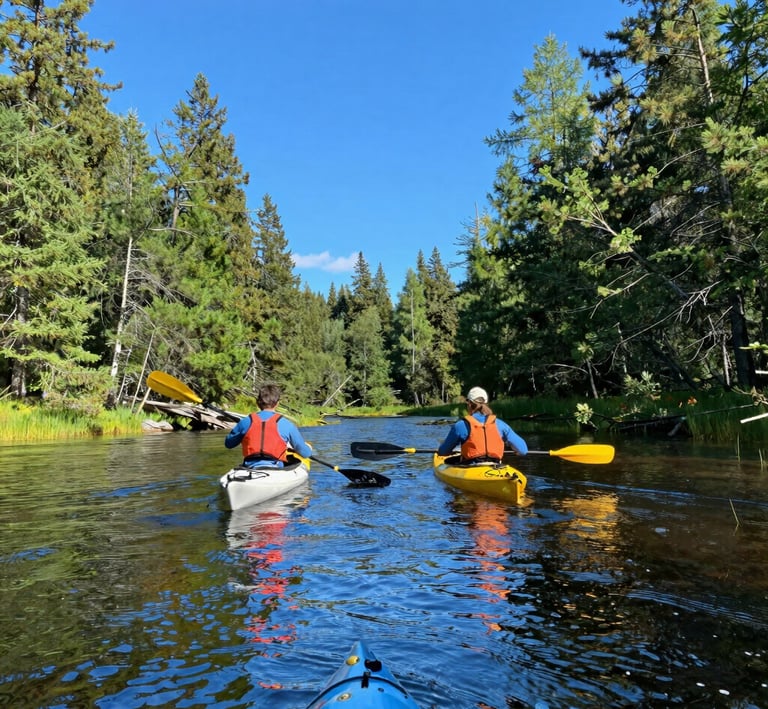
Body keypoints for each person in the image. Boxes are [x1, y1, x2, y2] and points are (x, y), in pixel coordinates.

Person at [225, 384, 312, 467]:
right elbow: (305, 453)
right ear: (277, 403)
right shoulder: (287, 424)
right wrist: (307, 448)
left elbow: (228, 444)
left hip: (249, 467)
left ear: (257, 403)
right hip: (276, 467)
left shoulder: (246, 422)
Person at [437, 386, 527, 462]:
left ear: (469, 404)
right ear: (486, 403)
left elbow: (443, 452)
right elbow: (523, 451)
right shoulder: (501, 425)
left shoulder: (460, 425)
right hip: (494, 466)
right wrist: (516, 451)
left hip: (471, 468)